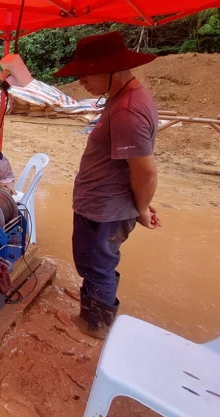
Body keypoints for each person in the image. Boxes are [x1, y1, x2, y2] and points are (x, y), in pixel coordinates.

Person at [53, 31, 161, 339]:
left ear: (111, 68)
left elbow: (145, 171)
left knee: (96, 264)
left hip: (104, 209)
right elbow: (137, 169)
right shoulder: (126, 97)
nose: (82, 82)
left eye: (85, 74)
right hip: (110, 203)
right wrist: (138, 203)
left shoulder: (127, 110)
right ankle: (93, 303)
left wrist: (140, 207)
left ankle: (94, 325)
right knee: (95, 261)